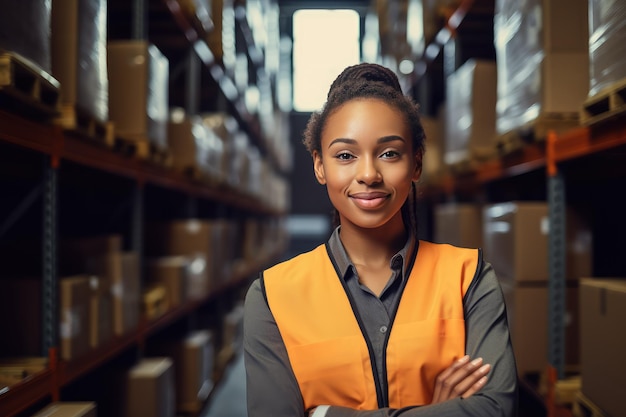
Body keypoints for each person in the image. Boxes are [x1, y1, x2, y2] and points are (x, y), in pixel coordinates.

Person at [243, 63, 518, 417]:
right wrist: (435, 411)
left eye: (389, 153)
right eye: (345, 155)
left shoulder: (470, 278)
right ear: (319, 166)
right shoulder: (272, 296)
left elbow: (493, 410)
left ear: (416, 164)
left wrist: (330, 415)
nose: (369, 174)